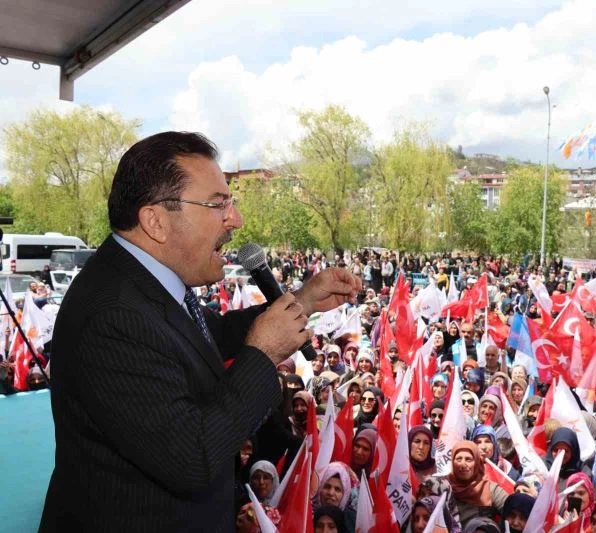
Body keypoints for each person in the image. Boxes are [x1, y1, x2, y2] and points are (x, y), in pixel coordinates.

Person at [39, 132, 361, 532]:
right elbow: (192, 456)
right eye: (217, 204)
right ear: (155, 220)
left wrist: (303, 300)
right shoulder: (112, 315)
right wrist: (262, 354)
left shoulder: (142, 283)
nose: (236, 220)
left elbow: (206, 336)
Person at [448, 441, 509, 527]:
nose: (463, 464)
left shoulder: (489, 488)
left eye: (468, 459)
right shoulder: (442, 486)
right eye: (458, 459)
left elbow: (513, 512)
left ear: (477, 462)